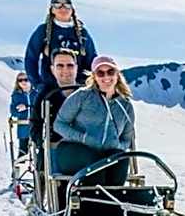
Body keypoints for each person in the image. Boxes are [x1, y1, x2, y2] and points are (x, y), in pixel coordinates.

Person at [53, 55, 135, 187]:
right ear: (94, 77)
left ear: (117, 75)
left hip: (105, 154)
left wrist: (116, 146)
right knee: (96, 164)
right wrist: (83, 138)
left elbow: (127, 138)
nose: (106, 77)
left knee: (120, 161)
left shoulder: (125, 105)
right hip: (73, 150)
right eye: (100, 73)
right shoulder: (83, 96)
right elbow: (59, 124)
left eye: (110, 72)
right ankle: (90, 199)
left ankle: (115, 199)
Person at [24, 0, 97, 99]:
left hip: (79, 90)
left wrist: (89, 84)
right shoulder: (43, 31)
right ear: (52, 10)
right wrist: (38, 84)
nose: (63, 8)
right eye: (58, 5)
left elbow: (92, 60)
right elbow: (31, 59)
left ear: (72, 9)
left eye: (67, 5)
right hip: (51, 91)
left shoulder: (82, 33)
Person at [8, 72, 32, 155]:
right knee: (23, 151)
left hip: (36, 127)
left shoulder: (35, 93)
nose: (23, 82)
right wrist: (18, 111)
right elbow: (13, 111)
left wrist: (27, 107)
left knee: (38, 150)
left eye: (25, 79)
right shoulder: (16, 95)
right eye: (20, 80)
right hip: (23, 128)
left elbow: (40, 107)